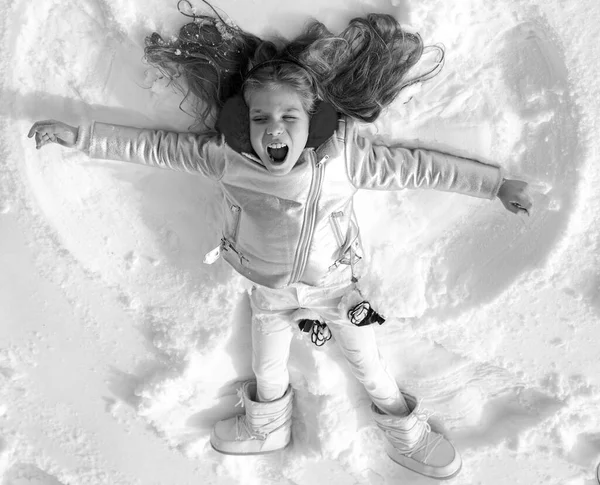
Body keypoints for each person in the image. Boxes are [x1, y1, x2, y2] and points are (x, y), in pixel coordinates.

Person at [28, 0, 532, 479]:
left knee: (369, 365)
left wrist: (493, 185)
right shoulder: (227, 158)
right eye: (261, 118)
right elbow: (157, 147)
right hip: (266, 290)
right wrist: (86, 137)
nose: (274, 128)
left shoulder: (342, 160)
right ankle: (266, 427)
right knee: (267, 368)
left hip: (336, 290)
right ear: (244, 123)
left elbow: (421, 168)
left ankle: (405, 428)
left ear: (310, 120)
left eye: (288, 117)